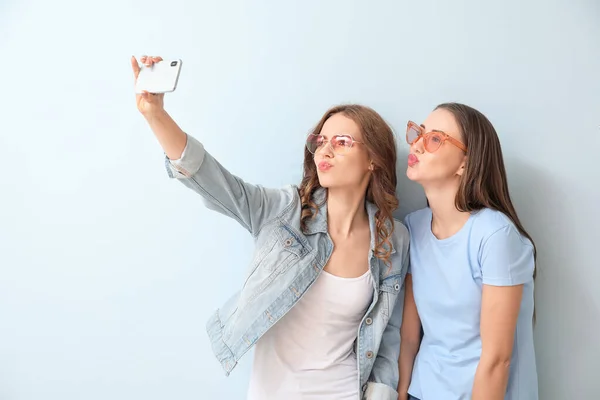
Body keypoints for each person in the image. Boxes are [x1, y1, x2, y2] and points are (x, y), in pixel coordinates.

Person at [131, 55, 410, 400]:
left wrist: (382, 393)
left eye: (342, 142)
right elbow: (213, 181)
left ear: (373, 159)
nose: (326, 150)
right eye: (321, 141)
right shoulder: (284, 210)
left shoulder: (392, 237)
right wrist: (155, 114)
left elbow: (389, 330)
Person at [397, 103, 538, 400]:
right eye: (419, 133)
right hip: (421, 391)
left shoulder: (495, 234)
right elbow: (410, 337)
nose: (418, 144)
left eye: (435, 138)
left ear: (465, 162)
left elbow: (497, 360)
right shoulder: (414, 226)